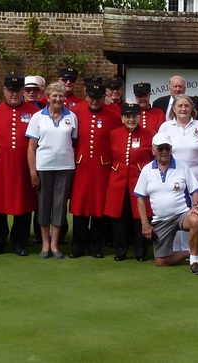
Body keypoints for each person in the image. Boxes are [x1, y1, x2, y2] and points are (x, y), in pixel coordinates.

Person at [0, 74, 41, 256]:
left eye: (17, 91)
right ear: (4, 91)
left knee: (23, 204)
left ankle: (19, 242)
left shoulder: (33, 112)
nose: (14, 94)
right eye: (10, 91)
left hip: (23, 166)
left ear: (22, 92)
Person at [135, 133, 198, 275]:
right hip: (161, 220)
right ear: (153, 150)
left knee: (196, 220)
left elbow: (195, 190)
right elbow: (140, 198)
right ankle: (189, 252)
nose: (164, 152)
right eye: (161, 148)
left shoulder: (182, 166)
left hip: (181, 214)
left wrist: (195, 207)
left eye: (167, 148)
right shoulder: (147, 170)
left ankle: (195, 261)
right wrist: (145, 224)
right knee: (161, 262)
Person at [27, 82, 78, 259]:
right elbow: (31, 148)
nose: (58, 99)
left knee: (59, 206)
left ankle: (55, 245)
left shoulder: (71, 117)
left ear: (65, 97)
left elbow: (73, 142)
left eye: (61, 95)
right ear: (47, 98)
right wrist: (33, 171)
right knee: (43, 205)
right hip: (43, 167)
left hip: (65, 167)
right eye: (54, 96)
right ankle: (45, 244)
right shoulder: (37, 117)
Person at [69, 83, 120, 258]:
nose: (95, 101)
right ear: (86, 94)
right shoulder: (75, 112)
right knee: (80, 206)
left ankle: (96, 247)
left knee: (99, 207)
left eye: (98, 97)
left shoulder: (113, 116)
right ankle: (78, 246)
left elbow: (116, 142)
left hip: (102, 167)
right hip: (81, 166)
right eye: (92, 97)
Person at [107, 103, 156, 261]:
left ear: (139, 117)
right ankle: (120, 251)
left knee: (140, 217)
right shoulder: (114, 134)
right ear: (122, 118)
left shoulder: (149, 134)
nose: (131, 119)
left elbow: (153, 158)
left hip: (139, 180)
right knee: (119, 217)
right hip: (118, 180)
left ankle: (141, 251)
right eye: (127, 116)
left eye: (134, 116)